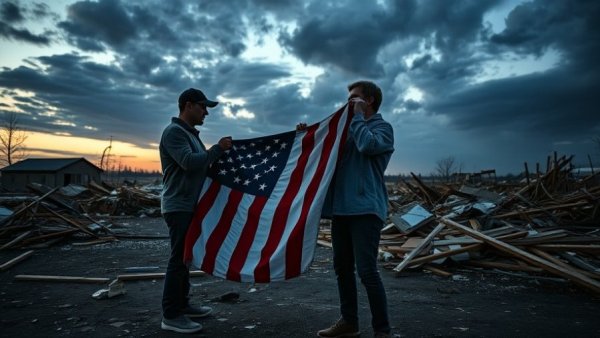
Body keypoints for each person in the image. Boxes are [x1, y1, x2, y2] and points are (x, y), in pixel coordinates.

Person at [301, 81, 394, 338]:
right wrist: (307, 137)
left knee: (367, 271)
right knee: (342, 269)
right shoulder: (346, 130)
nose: (348, 103)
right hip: (341, 211)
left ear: (370, 101)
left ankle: (383, 331)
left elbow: (369, 146)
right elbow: (322, 158)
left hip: (365, 210)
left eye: (354, 98)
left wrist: (356, 119)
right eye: (348, 99)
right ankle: (349, 322)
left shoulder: (382, 129)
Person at [159, 88, 232, 334]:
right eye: (203, 107)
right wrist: (217, 149)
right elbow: (190, 163)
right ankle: (171, 315)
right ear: (188, 105)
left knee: (186, 259)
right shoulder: (174, 133)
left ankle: (183, 304)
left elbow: (203, 165)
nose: (206, 113)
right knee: (178, 260)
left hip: (189, 205)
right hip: (178, 205)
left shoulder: (190, 135)